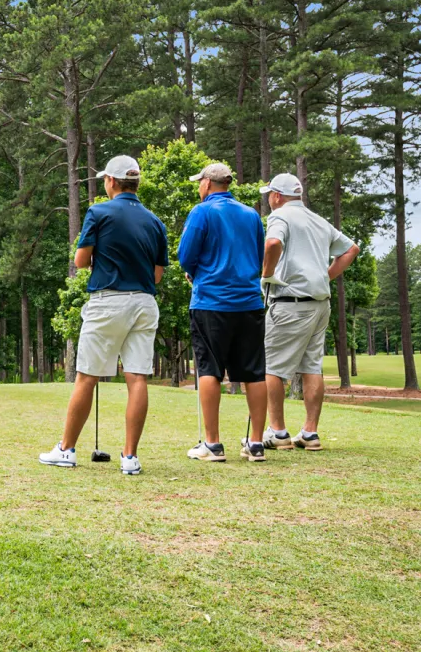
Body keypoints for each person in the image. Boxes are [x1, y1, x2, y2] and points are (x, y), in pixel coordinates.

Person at [39, 155, 168, 476]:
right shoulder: (155, 222)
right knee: (137, 377)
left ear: (111, 181)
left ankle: (66, 450)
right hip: (144, 303)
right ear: (135, 183)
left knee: (87, 376)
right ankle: (130, 458)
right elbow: (157, 276)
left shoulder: (98, 212)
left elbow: (81, 261)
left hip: (108, 300)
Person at [258, 173, 361, 451]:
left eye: (270, 194)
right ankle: (310, 433)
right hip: (319, 304)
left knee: (272, 368)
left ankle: (278, 432)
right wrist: (325, 277)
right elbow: (351, 249)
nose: (269, 199)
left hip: (290, 302)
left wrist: (266, 274)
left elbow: (272, 244)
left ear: (278, 196)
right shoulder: (318, 220)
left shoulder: (279, 216)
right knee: (311, 367)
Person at [177, 162, 270, 463]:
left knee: (210, 369)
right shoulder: (251, 214)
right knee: (254, 372)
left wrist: (195, 273)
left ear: (207, 183)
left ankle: (213, 445)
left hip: (211, 302)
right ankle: (255, 444)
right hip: (248, 303)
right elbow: (258, 256)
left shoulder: (201, 211)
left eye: (199, 182)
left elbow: (185, 255)